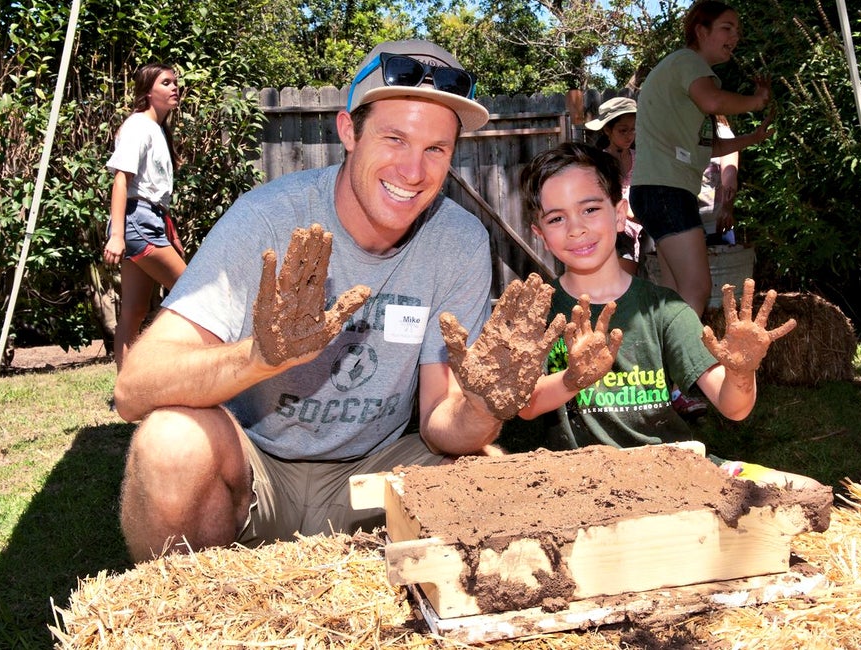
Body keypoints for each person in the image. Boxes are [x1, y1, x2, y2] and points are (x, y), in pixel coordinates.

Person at [112, 40, 563, 562]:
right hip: (256, 469)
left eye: (436, 149)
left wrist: (484, 405)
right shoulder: (268, 219)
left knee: (491, 479)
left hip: (375, 472)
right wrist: (259, 357)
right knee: (169, 443)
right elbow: (134, 388)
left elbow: (442, 421)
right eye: (395, 138)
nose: (414, 171)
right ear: (349, 131)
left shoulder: (458, 240)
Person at [516, 142, 811, 486]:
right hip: (581, 484)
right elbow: (526, 405)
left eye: (590, 209)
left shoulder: (664, 308)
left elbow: (735, 407)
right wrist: (573, 378)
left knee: (804, 490)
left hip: (672, 474)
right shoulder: (536, 310)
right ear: (539, 234)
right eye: (556, 218)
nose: (576, 228)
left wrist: (741, 371)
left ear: (619, 213)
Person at [630, 0, 774, 318]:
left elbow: (706, 147)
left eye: (737, 30)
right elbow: (712, 100)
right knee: (696, 289)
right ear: (700, 30)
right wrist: (757, 101)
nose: (735, 36)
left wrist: (753, 138)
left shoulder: (682, 73)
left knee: (675, 296)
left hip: (655, 191)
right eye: (726, 28)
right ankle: (690, 366)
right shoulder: (689, 63)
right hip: (666, 191)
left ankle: (671, 363)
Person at [103, 63, 187, 371]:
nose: (174, 87)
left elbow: (155, 195)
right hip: (137, 221)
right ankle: (167, 364)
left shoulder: (156, 129)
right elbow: (121, 180)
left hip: (147, 220)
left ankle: (127, 391)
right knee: (191, 292)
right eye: (166, 83)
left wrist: (172, 234)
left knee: (134, 311)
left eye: (175, 82)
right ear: (148, 92)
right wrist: (116, 235)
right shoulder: (139, 126)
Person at [585, 96, 647, 274]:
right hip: (616, 231)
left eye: (633, 130)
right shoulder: (598, 162)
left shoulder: (641, 157)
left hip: (643, 229)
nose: (629, 136)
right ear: (607, 130)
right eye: (623, 130)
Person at [698, 115, 739, 245]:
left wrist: (727, 208)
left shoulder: (722, 132)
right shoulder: (678, 131)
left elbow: (729, 173)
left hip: (715, 225)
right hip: (682, 225)